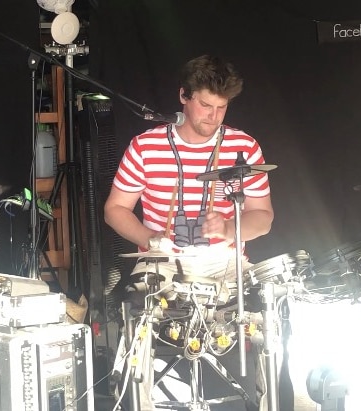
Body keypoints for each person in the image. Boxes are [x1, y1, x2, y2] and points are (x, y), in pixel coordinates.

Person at [104, 54, 275, 410]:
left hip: (224, 262)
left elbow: (264, 217)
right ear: (183, 96)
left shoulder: (243, 147)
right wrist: (151, 238)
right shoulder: (145, 146)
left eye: (221, 108)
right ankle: (138, 401)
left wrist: (229, 227)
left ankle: (265, 401)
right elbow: (115, 210)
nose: (212, 117)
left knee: (268, 307)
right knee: (136, 307)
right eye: (205, 105)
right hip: (165, 262)